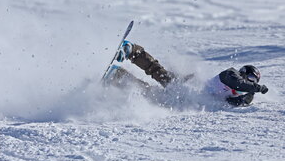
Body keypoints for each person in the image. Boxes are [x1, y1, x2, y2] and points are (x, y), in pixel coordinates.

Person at [105, 41, 269, 107]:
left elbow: (240, 101)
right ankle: (131, 50)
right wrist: (258, 87)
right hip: (185, 86)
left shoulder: (237, 93)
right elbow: (238, 83)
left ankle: (118, 75)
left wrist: (248, 98)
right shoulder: (231, 74)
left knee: (149, 93)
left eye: (255, 80)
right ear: (244, 74)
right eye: (252, 78)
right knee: (157, 72)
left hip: (184, 98)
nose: (252, 82)